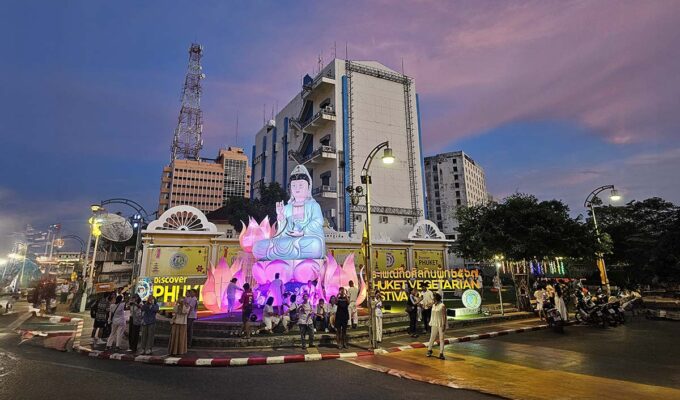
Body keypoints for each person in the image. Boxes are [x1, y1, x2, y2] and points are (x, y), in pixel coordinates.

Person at [252, 164, 325, 261]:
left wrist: (302, 232)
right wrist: (281, 217)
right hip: (287, 241)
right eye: (294, 186)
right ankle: (290, 255)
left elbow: (318, 221)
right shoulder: (286, 208)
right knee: (258, 247)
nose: (297, 188)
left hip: (305, 240)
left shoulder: (313, 205)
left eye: (301, 185)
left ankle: (283, 256)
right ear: (290, 189)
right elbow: (282, 232)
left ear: (308, 187)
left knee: (315, 245)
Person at [426, 292, 447, 360]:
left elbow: (444, 316)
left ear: (437, 299)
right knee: (432, 337)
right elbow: (427, 305)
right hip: (434, 323)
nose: (433, 300)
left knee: (441, 338)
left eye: (434, 299)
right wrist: (432, 303)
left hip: (441, 323)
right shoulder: (433, 305)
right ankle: (429, 350)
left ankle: (441, 353)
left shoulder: (442, 305)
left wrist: (444, 325)